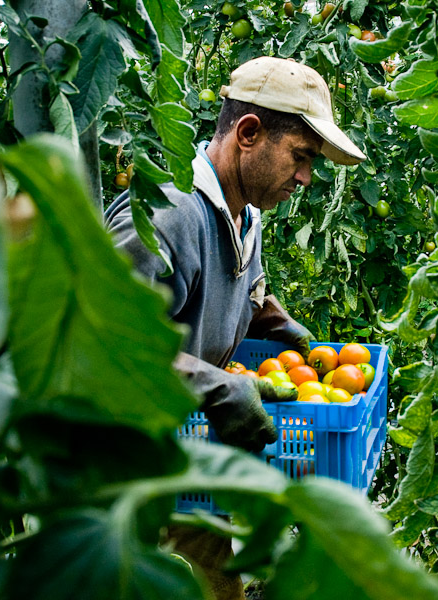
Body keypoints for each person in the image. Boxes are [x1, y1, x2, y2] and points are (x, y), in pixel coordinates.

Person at [104, 56, 366, 600]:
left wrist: (271, 315)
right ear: (249, 133)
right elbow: (110, 341)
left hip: (183, 457)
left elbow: (237, 284)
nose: (305, 177)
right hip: (119, 475)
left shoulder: (246, 213)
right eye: (300, 156)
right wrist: (217, 385)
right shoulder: (168, 215)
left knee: (222, 587)